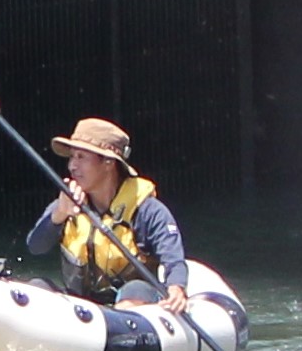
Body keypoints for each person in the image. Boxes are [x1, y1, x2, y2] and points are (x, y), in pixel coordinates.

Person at [30, 119, 186, 306]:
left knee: (135, 289)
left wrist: (176, 287)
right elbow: (35, 247)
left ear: (108, 162)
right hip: (81, 305)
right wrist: (58, 216)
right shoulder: (66, 204)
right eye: (72, 157)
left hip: (134, 302)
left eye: (81, 157)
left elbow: (173, 258)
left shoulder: (147, 210)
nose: (72, 166)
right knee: (36, 286)